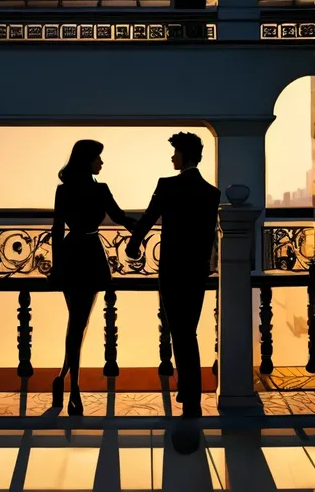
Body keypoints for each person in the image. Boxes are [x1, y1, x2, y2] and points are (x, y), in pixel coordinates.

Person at [126, 132, 220, 422]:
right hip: (196, 270)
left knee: (179, 331)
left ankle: (190, 396)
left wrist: (133, 245)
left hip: (171, 270)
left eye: (175, 153)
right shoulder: (211, 193)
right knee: (187, 329)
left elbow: (147, 219)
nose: (172, 157)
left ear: (183, 155)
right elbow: (208, 236)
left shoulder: (167, 186)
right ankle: (188, 389)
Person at [50, 140, 136, 416]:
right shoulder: (99, 190)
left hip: (70, 252)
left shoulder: (64, 191)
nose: (101, 163)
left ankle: (65, 380)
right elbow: (120, 216)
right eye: (98, 158)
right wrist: (144, 227)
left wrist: (56, 265)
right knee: (79, 321)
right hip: (89, 254)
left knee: (76, 320)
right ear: (87, 161)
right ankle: (71, 386)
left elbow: (56, 230)